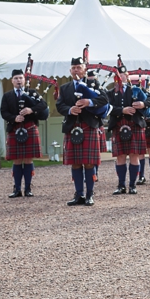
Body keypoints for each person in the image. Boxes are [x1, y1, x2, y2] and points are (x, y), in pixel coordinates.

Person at [57, 57, 109, 206]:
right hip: (72, 127)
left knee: (89, 163)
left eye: (79, 67)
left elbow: (105, 99)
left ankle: (90, 195)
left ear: (84, 69)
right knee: (75, 163)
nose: (76, 70)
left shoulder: (93, 84)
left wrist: (89, 102)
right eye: (73, 68)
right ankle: (78, 194)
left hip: (88, 126)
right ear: (70, 70)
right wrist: (69, 110)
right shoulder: (65, 88)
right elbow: (60, 106)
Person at [0, 69, 49, 198]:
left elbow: (43, 105)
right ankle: (17, 189)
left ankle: (28, 188)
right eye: (16, 78)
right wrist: (14, 118)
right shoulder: (7, 96)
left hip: (29, 127)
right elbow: (3, 112)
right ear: (12, 80)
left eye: (20, 78)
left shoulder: (31, 93)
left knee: (28, 159)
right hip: (14, 128)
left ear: (24, 80)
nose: (18, 80)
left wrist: (30, 110)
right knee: (16, 160)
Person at [107, 66, 150, 195]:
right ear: (114, 78)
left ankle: (133, 185)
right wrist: (122, 110)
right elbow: (107, 108)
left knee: (134, 155)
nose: (121, 77)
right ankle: (121, 185)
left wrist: (143, 105)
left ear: (127, 75)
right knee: (120, 156)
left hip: (135, 125)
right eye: (118, 75)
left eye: (122, 74)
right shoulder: (110, 93)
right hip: (118, 125)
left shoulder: (136, 90)